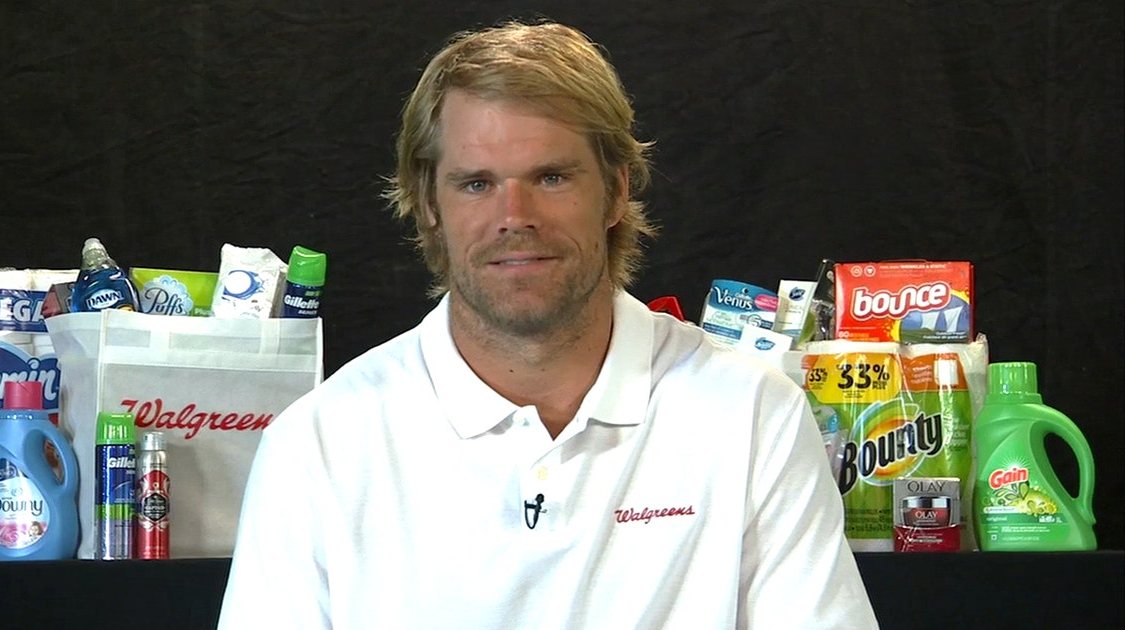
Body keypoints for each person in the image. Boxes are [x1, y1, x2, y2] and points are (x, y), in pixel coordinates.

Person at [219, 19, 878, 629]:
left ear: (617, 190)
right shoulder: (318, 446)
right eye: (476, 184)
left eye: (552, 177)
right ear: (428, 204)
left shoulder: (753, 416)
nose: (515, 216)